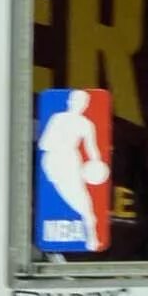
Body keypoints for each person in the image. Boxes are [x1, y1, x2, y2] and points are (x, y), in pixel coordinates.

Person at [37, 88, 111, 249]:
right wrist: (60, 146)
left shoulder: (87, 124)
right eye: (76, 101)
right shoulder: (57, 118)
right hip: (56, 160)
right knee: (74, 198)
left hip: (72, 160)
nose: (79, 105)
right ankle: (89, 235)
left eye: (84, 102)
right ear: (69, 102)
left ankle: (92, 237)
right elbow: (44, 144)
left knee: (84, 201)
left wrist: (96, 164)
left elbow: (92, 148)